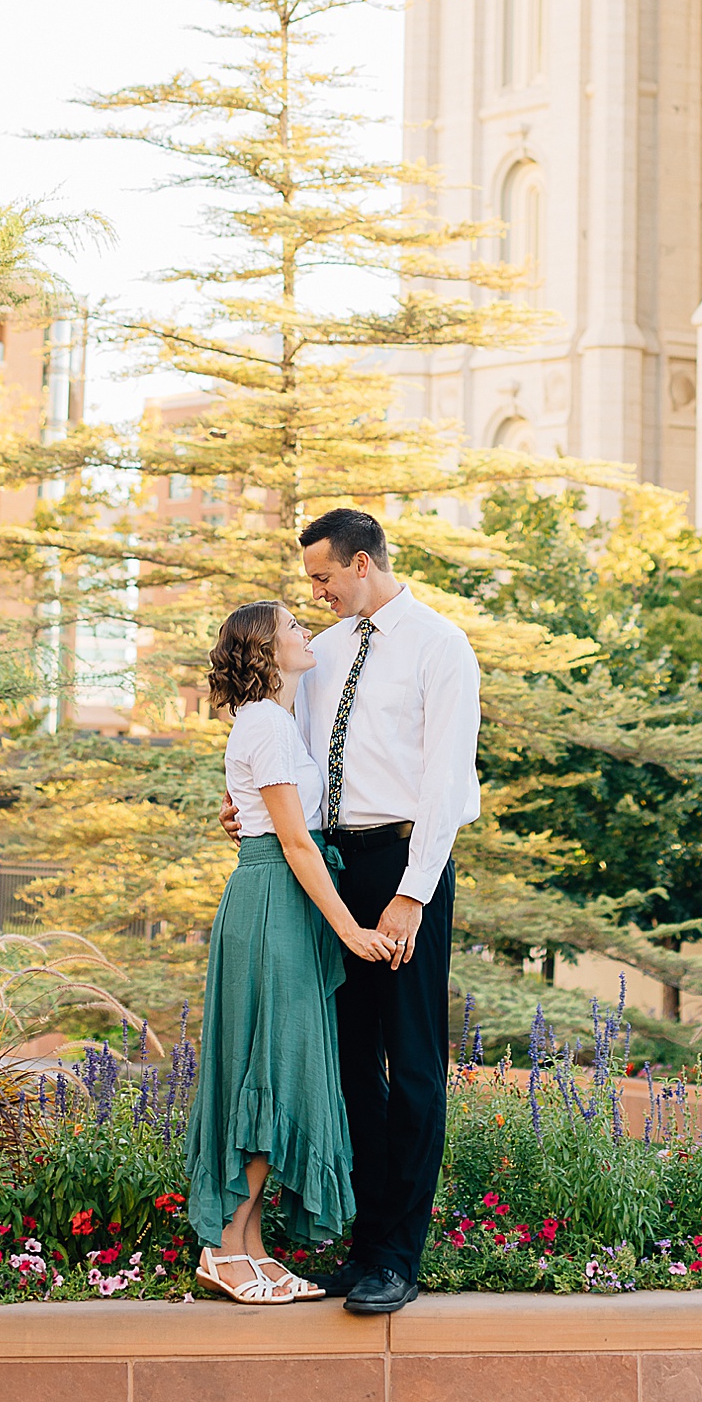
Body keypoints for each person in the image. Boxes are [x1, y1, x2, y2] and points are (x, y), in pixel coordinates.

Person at [221, 505, 481, 1316]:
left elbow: (445, 781)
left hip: (406, 865)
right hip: (330, 873)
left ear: (363, 564)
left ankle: (397, 1258)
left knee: (410, 1065)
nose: (317, 592)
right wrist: (247, 812)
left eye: (323, 577)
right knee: (345, 1066)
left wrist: (413, 893)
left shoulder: (441, 647)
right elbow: (284, 765)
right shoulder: (321, 654)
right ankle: (365, 1247)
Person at [185, 597, 402, 1305]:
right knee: (269, 1070)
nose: (306, 633)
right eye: (294, 628)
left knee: (266, 1067)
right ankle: (224, 1248)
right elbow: (296, 842)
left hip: (271, 898)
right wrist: (351, 931)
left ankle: (246, 1246)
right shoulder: (270, 729)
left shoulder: (269, 724)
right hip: (277, 901)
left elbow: (262, 818)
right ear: (268, 651)